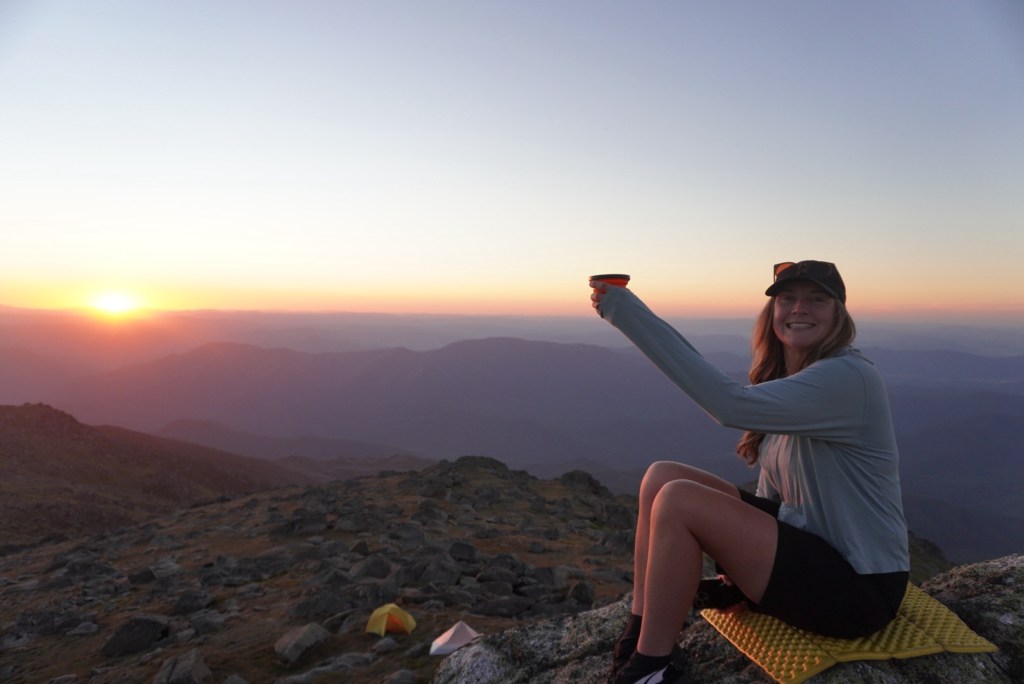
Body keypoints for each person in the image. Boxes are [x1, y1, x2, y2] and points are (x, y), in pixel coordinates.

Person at [589, 261, 910, 684]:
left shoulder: (849, 378)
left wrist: (625, 311)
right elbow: (778, 502)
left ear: (839, 315)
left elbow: (728, 405)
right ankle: (634, 642)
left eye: (817, 299)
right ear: (773, 312)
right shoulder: (798, 380)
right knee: (662, 477)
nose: (800, 308)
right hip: (817, 555)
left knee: (679, 500)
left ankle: (650, 670)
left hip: (859, 588)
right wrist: (742, 569)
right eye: (788, 298)